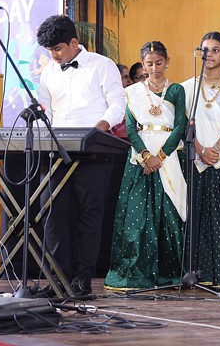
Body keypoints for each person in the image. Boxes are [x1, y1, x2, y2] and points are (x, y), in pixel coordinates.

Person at [36, 15, 126, 296]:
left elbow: (117, 105)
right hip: (57, 150)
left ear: (74, 43)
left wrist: (97, 131)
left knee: (89, 215)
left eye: (57, 49)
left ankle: (82, 279)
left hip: (93, 151)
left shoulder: (102, 65)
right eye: (49, 51)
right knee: (53, 214)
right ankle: (56, 279)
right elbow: (45, 109)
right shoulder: (49, 72)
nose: (53, 56)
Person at [105, 41, 187, 289]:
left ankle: (168, 273)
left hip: (169, 158)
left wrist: (160, 156)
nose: (154, 68)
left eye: (159, 63)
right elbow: (131, 127)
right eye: (149, 64)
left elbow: (180, 126)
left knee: (168, 214)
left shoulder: (176, 90)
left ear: (167, 62)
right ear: (142, 65)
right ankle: (134, 273)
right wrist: (145, 155)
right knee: (136, 216)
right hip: (140, 160)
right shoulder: (132, 92)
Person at [181, 32, 220, 289]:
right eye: (205, 50)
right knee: (196, 216)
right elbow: (184, 123)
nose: (210, 55)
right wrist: (200, 149)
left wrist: (215, 148)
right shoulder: (187, 88)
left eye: (216, 50)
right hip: (196, 159)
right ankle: (195, 271)